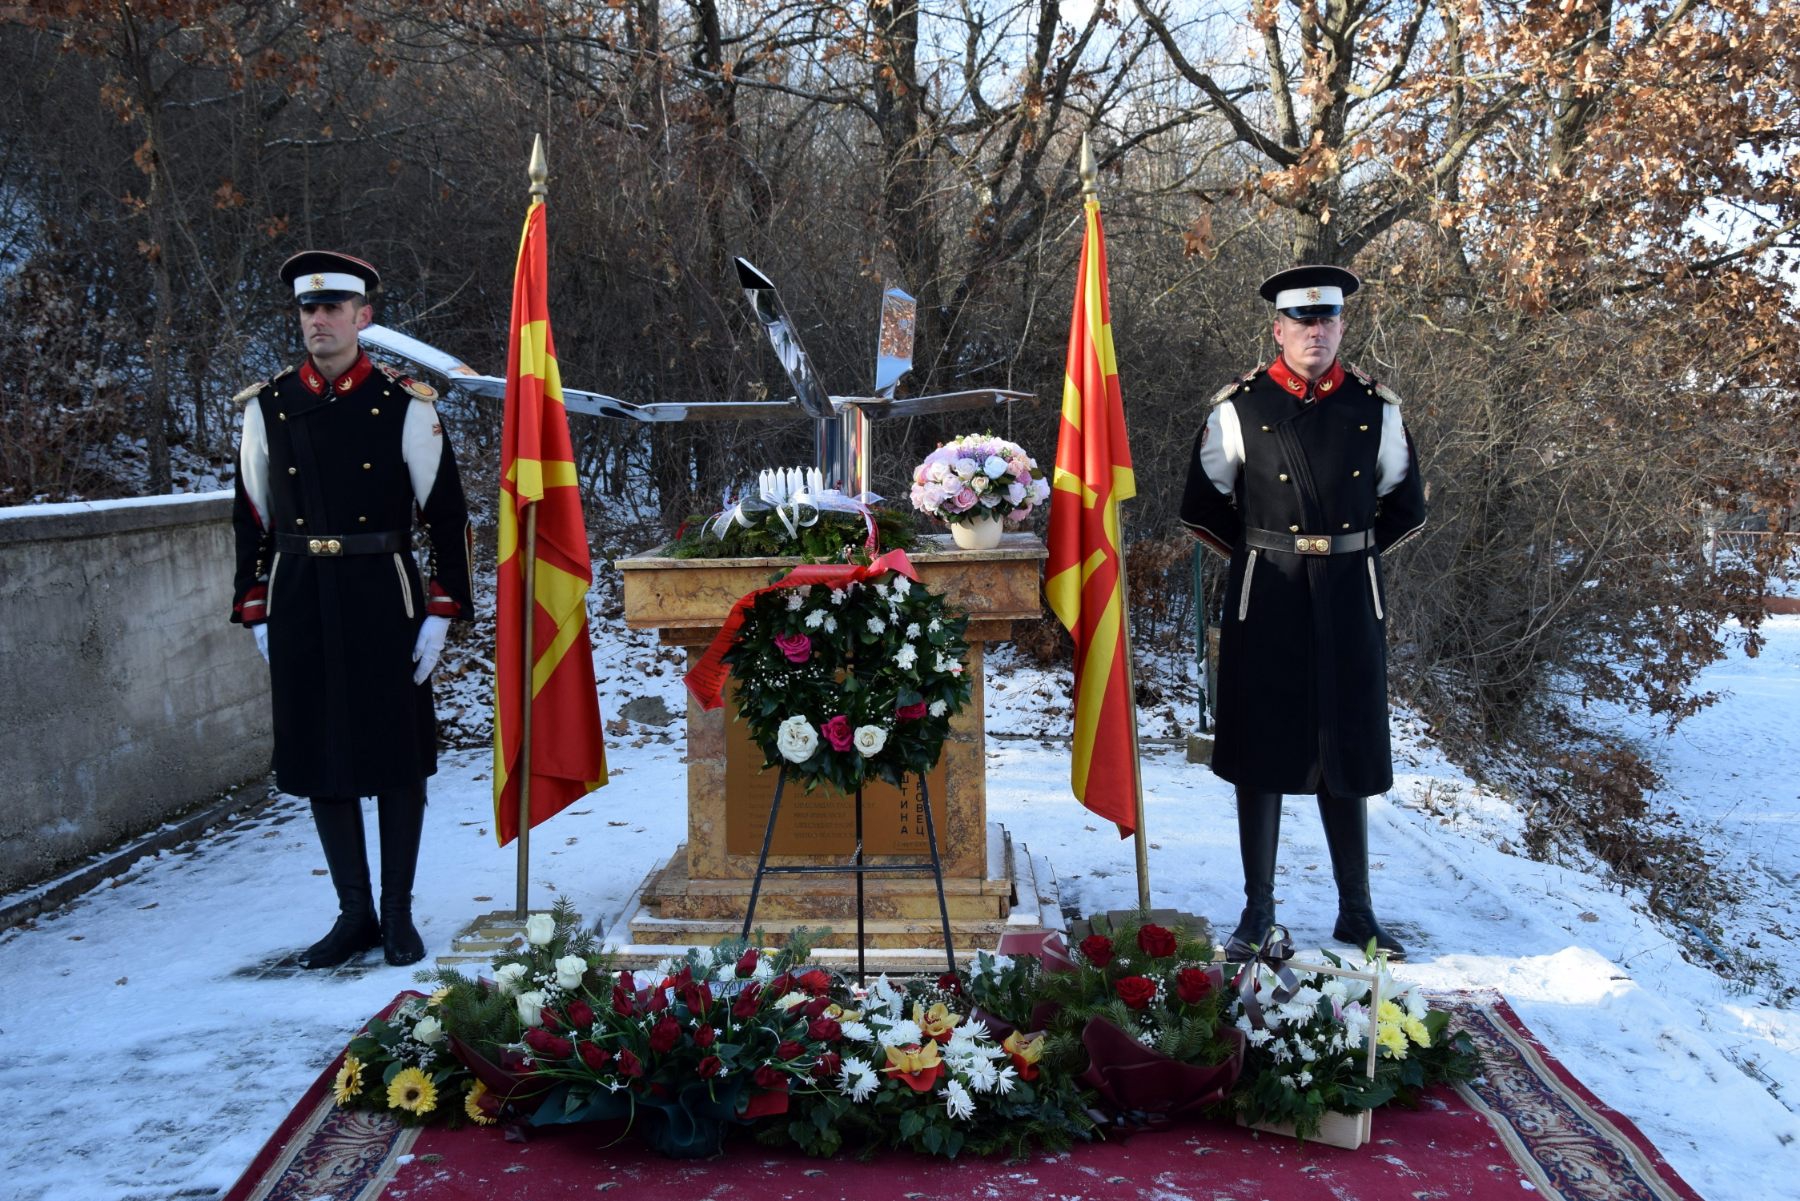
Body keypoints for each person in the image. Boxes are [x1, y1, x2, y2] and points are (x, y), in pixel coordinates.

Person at [229, 250, 473, 969]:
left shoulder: (404, 404)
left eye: (333, 307)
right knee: (318, 753)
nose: (319, 320)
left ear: (363, 317)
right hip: (301, 591)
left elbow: (448, 513)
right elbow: (250, 513)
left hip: (382, 589)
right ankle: (354, 914)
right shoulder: (269, 406)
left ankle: (397, 914)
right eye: (309, 309)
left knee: (396, 755)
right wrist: (256, 606)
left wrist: (442, 607)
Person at [1179, 265, 1426, 961]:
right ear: (1278, 329)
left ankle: (1358, 910)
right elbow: (1201, 504)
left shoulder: (1378, 408)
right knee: (1262, 746)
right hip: (1269, 595)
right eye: (1302, 321)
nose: (1316, 332)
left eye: (1328, 320)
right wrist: (1263, 555)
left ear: (1343, 326)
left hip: (1351, 593)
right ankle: (1258, 910)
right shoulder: (1241, 407)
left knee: (1345, 742)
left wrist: (1349, 557)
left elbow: (1405, 505)